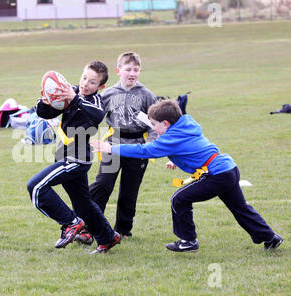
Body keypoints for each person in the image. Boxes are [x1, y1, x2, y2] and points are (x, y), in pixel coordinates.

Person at [91, 99, 283, 252]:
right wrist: (175, 159)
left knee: (179, 199)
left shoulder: (170, 138)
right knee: (240, 208)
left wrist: (110, 147)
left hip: (216, 174)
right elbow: (190, 145)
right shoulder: (186, 124)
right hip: (228, 168)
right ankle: (270, 238)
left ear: (166, 123)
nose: (153, 128)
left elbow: (144, 151)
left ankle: (188, 241)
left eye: (154, 125)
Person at [27, 61, 121, 254]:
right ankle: (108, 237)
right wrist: (44, 100)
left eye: (92, 82)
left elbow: (96, 115)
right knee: (83, 203)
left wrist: (75, 97)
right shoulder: (72, 92)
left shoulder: (95, 100)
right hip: (64, 154)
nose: (86, 84)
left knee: (36, 186)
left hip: (77, 159)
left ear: (100, 87)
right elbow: (45, 112)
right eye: (84, 78)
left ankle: (70, 223)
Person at [83, 52, 156, 243]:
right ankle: (89, 227)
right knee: (102, 185)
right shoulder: (107, 94)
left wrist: (151, 144)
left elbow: (154, 124)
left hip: (138, 149)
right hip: (112, 146)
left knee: (129, 191)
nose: (132, 73)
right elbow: (92, 116)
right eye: (128, 69)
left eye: (136, 69)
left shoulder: (146, 95)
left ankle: (123, 229)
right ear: (118, 71)